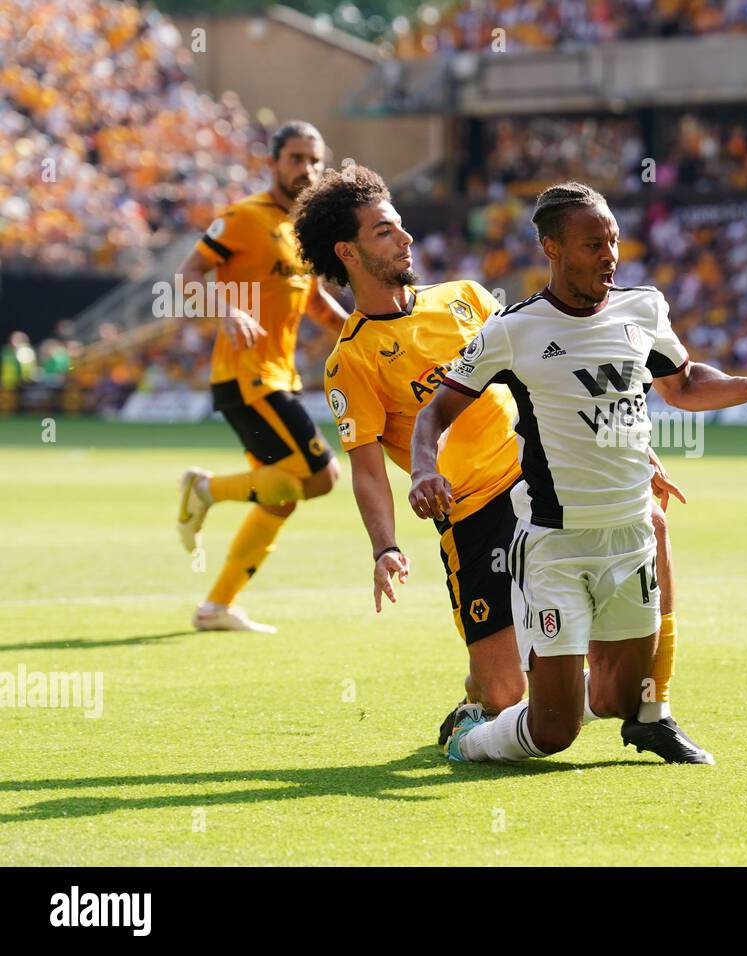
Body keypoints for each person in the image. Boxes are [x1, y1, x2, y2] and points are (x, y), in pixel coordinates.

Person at [295, 168, 714, 763]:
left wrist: (633, 450)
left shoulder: (464, 297)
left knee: (651, 523)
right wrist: (384, 547)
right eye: (385, 231)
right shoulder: (352, 359)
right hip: (472, 515)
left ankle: (652, 710)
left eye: (400, 225)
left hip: (536, 477)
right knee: (506, 693)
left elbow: (550, 375)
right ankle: (488, 701)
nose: (407, 238)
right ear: (349, 251)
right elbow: (365, 465)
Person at [408, 181, 747, 763]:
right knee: (553, 734)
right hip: (556, 545)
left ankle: (621, 715)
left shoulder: (644, 308)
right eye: (593, 244)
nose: (610, 255)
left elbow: (683, 384)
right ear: (552, 248)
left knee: (621, 697)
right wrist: (423, 470)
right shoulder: (515, 330)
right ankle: (472, 741)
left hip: (631, 537)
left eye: (613, 240)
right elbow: (436, 411)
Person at [174, 121, 349, 632]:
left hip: (278, 376)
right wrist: (226, 309)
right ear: (272, 162)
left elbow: (313, 300)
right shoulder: (244, 217)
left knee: (282, 496)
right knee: (321, 478)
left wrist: (365, 334)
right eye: (296, 158)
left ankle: (216, 607)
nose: (306, 170)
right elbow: (187, 275)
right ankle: (204, 490)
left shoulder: (306, 230)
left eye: (315, 160)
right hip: (247, 376)